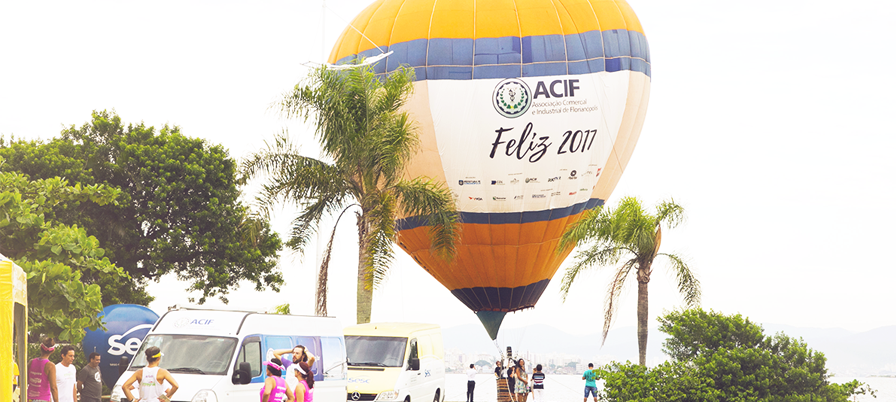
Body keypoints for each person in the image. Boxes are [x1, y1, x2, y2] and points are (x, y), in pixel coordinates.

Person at [28, 337, 58, 402]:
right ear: (53, 351)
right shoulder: (50, 366)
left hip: (29, 397)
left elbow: (26, 380)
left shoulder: (31, 362)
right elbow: (53, 387)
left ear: (40, 348)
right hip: (43, 398)